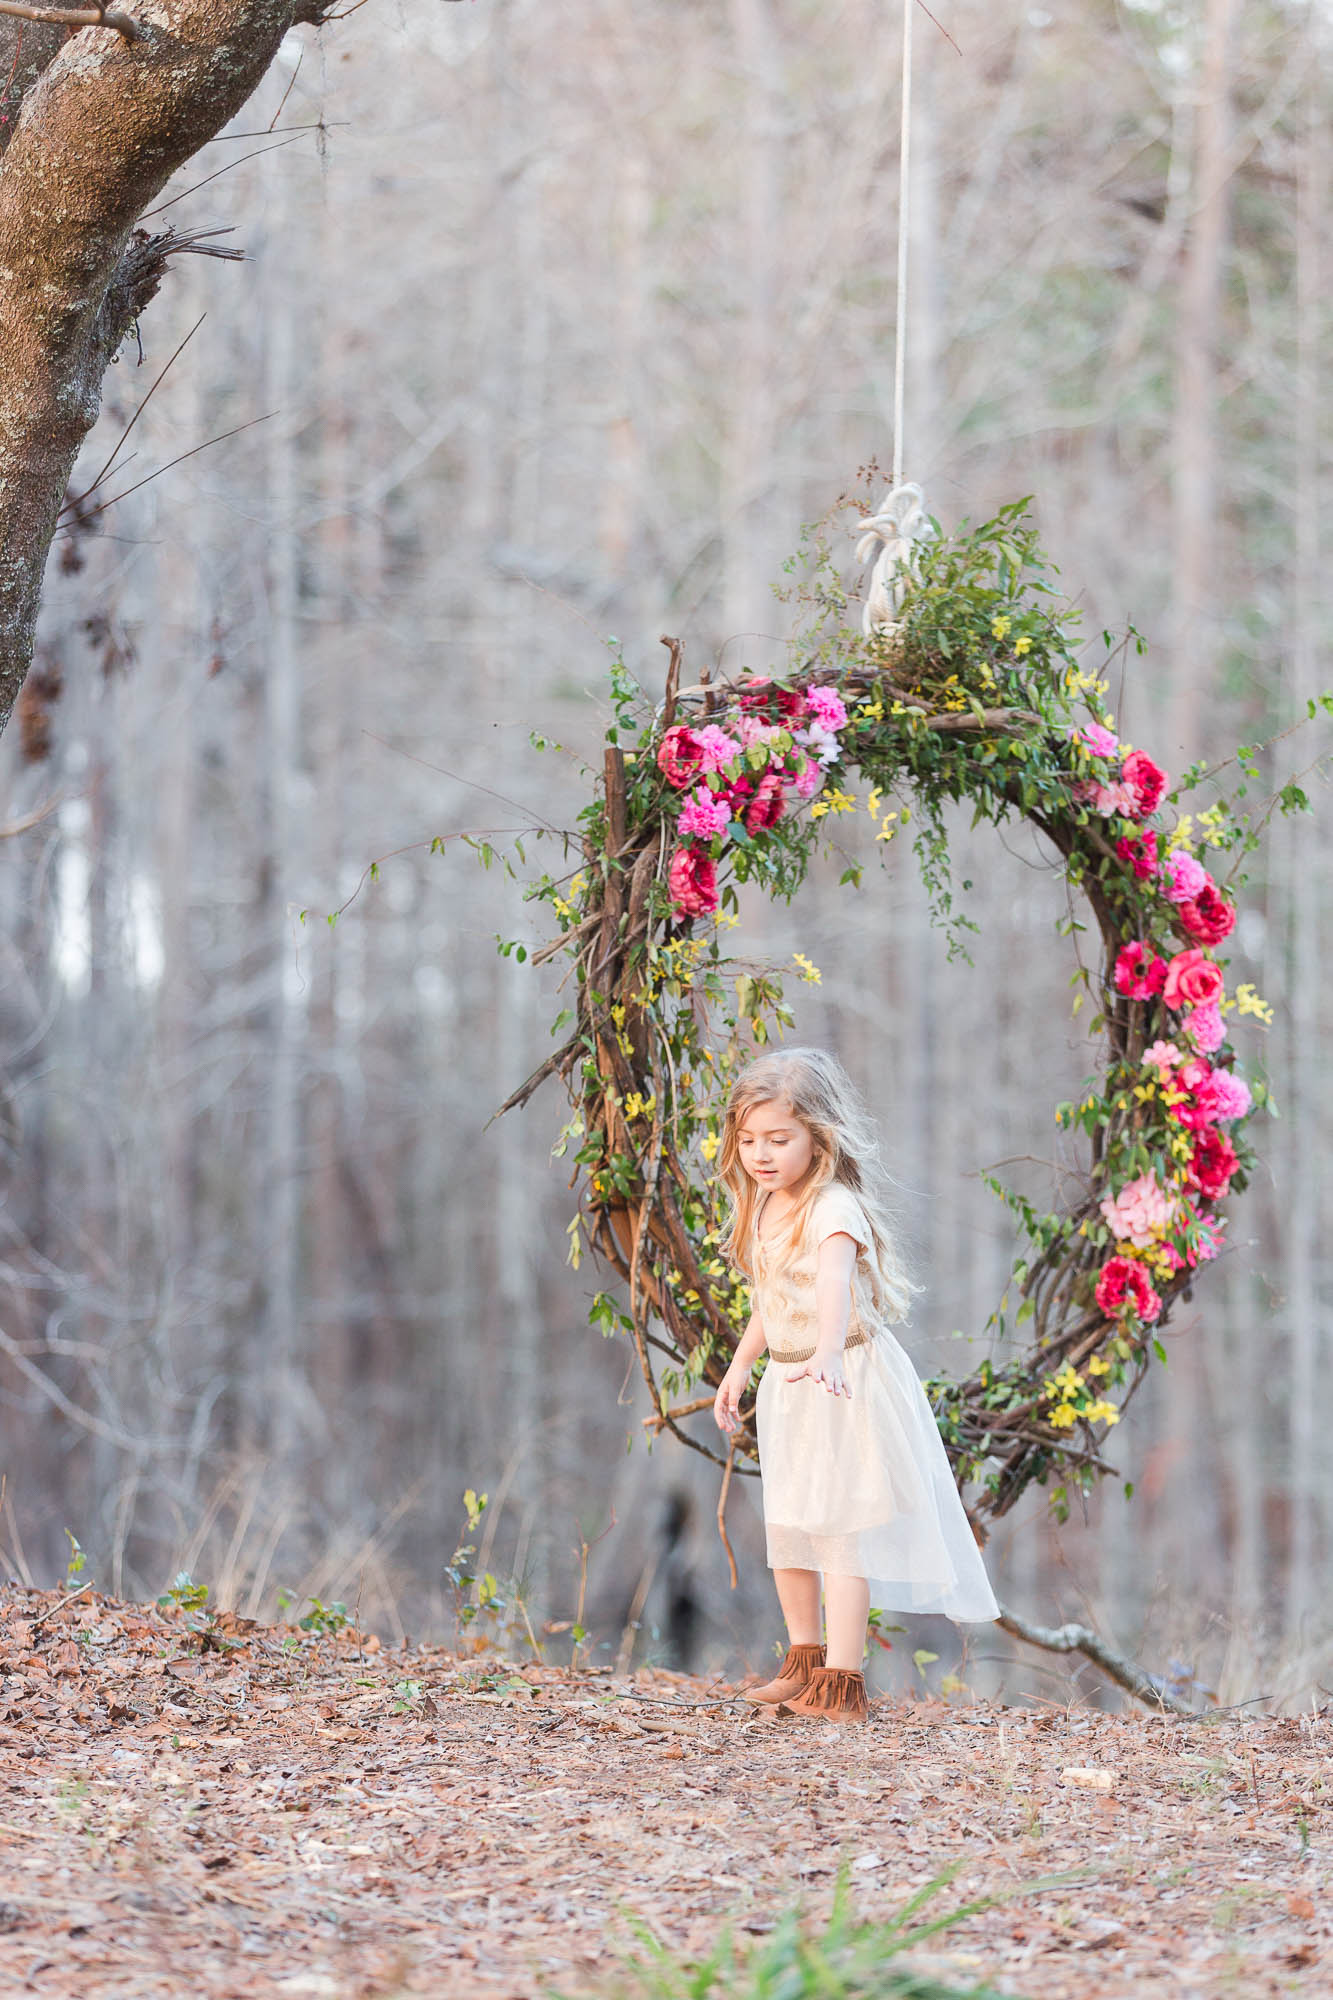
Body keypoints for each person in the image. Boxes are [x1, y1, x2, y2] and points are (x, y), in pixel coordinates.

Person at [712, 1047, 999, 1723]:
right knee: (788, 1522)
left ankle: (841, 1683)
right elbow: (769, 1298)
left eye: (778, 1140)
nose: (760, 1154)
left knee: (840, 1529)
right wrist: (740, 1365)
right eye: (748, 1140)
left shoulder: (830, 1206)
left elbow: (834, 1285)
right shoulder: (764, 1203)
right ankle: (803, 1661)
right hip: (790, 1379)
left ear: (819, 1136)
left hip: (841, 1376)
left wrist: (830, 1355)